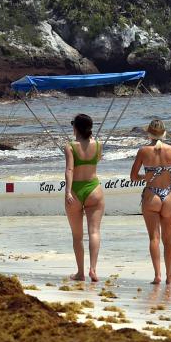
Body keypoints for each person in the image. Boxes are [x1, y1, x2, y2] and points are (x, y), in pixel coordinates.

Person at [130, 119, 171, 285]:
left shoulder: (143, 151)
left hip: (151, 194)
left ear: (149, 133)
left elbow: (133, 176)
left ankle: (157, 275)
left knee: (154, 238)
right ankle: (169, 275)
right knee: (168, 240)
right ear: (164, 132)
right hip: (168, 195)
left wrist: (145, 177)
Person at [64, 113, 104, 282]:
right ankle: (93, 269)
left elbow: (69, 170)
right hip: (94, 188)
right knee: (94, 231)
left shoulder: (70, 146)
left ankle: (80, 273)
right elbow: (98, 160)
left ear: (76, 128)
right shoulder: (98, 144)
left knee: (77, 236)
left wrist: (67, 191)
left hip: (76, 190)